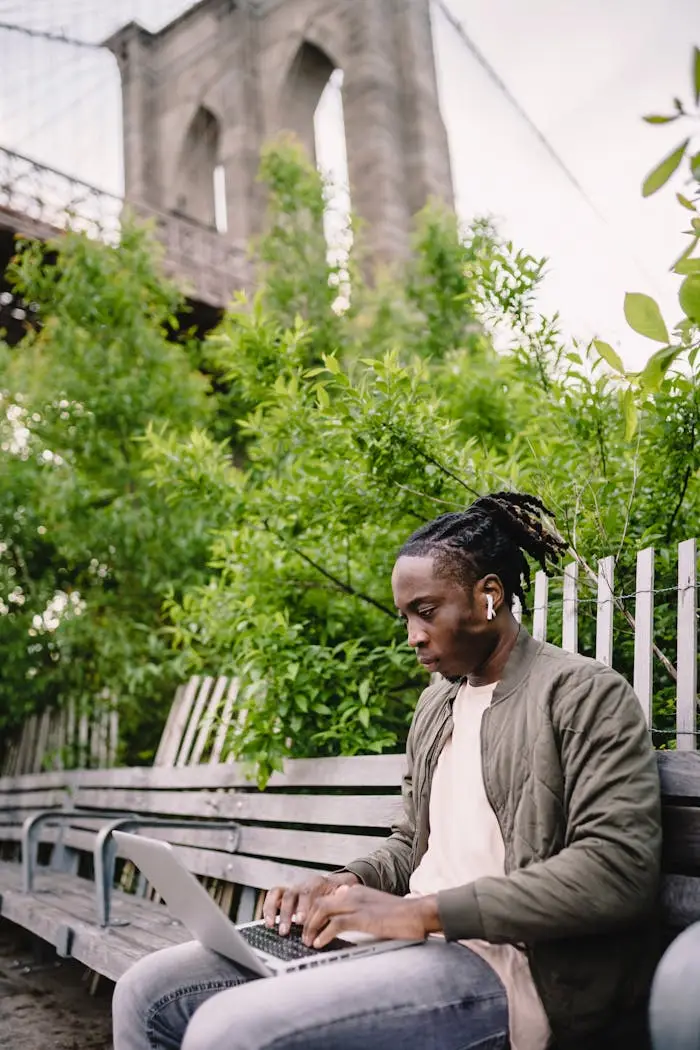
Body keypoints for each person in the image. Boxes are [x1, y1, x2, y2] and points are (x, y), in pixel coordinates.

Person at [113, 491, 662, 1050]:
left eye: (426, 612)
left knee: (230, 1030)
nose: (413, 636)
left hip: (514, 965)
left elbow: (617, 871)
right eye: (406, 617)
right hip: (409, 942)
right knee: (149, 990)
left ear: (489, 596)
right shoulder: (437, 705)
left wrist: (421, 914)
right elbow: (413, 845)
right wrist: (346, 883)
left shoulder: (583, 694)